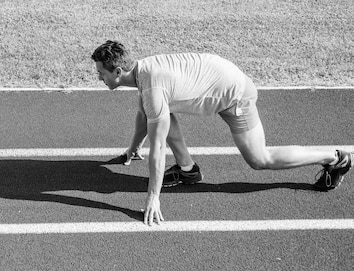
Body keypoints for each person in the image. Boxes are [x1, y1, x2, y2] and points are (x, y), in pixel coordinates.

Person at [90, 40, 353, 225]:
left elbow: (158, 147)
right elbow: (144, 112)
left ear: (118, 71)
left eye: (101, 72)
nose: (99, 77)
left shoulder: (152, 89)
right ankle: (187, 169)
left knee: (260, 160)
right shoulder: (143, 72)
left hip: (235, 95)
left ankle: (334, 158)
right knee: (158, 113)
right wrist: (133, 148)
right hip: (220, 77)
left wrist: (153, 198)